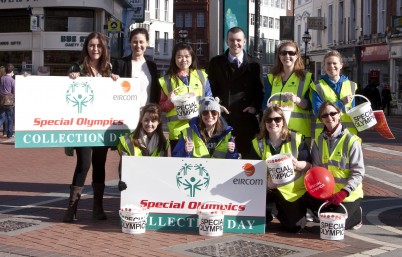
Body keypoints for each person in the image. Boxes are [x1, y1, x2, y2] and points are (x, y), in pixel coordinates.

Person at [63, 32, 119, 222]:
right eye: (91, 45)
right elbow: (64, 93)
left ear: (104, 49)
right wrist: (71, 78)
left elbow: (114, 96)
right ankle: (72, 207)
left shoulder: (108, 69)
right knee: (84, 164)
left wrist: (116, 82)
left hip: (102, 128)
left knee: (99, 165)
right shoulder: (77, 68)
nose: (95, 49)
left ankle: (98, 207)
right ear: (86, 47)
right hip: (83, 127)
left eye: (99, 46)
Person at [249, 106, 312, 233]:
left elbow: (309, 165)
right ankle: (267, 212)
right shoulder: (257, 143)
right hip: (267, 190)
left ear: (283, 121)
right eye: (269, 120)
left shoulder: (296, 139)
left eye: (277, 119)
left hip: (292, 192)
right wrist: (268, 185)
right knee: (251, 215)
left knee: (295, 227)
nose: (273, 123)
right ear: (264, 123)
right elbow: (250, 172)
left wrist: (299, 164)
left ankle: (281, 211)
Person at [207, 26, 263, 159]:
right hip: (223, 120)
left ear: (244, 42)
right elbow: (210, 88)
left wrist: (254, 107)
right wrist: (216, 105)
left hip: (246, 120)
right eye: (231, 40)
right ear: (227, 42)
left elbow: (260, 90)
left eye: (238, 40)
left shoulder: (255, 64)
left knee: (248, 162)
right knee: (222, 158)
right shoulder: (216, 63)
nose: (235, 43)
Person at [307, 101, 364, 230]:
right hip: (327, 195)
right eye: (325, 115)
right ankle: (325, 211)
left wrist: (343, 193)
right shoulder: (318, 141)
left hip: (348, 195)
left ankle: (356, 216)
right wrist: (322, 194)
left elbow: (358, 173)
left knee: (334, 225)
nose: (329, 118)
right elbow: (316, 171)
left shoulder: (352, 141)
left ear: (339, 115)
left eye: (333, 113)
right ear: (321, 120)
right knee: (305, 202)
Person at [159, 43, 212, 151]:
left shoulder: (202, 76)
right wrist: (170, 101)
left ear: (192, 57)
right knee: (179, 165)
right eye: (179, 56)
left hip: (200, 128)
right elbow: (161, 107)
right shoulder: (166, 80)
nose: (183, 59)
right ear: (174, 59)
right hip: (177, 132)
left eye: (187, 56)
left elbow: (209, 99)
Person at [261, 40, 313, 145]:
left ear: (297, 55)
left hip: (299, 133)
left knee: (298, 162)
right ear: (279, 56)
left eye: (291, 53)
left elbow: (310, 106)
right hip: (276, 133)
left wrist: (297, 100)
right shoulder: (271, 78)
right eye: (283, 53)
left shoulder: (306, 77)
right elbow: (264, 106)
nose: (287, 56)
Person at [117, 103, 169, 191]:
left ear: (159, 122)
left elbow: (163, 169)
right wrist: (122, 179)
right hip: (134, 185)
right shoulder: (126, 141)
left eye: (153, 120)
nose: (149, 124)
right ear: (141, 120)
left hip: (154, 186)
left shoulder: (164, 143)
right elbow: (124, 167)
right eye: (146, 120)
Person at [172, 96, 239, 159]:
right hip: (197, 170)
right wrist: (185, 151)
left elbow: (233, 161)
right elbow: (175, 158)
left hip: (218, 170)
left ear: (218, 115)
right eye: (205, 113)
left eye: (213, 112)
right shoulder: (188, 133)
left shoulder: (227, 134)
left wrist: (231, 152)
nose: (210, 115)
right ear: (200, 115)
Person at [311, 50, 358, 136]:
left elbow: (353, 111)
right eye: (328, 63)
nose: (331, 66)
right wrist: (341, 103)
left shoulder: (351, 85)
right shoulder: (317, 86)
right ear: (324, 66)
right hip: (325, 134)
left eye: (334, 63)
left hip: (348, 134)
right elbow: (318, 112)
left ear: (341, 65)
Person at [112, 28, 161, 106]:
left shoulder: (152, 66)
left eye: (141, 42)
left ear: (147, 43)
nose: (138, 45)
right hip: (127, 111)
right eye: (135, 42)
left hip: (147, 113)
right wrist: (113, 78)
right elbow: (113, 89)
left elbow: (156, 91)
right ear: (130, 43)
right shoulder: (120, 64)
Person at [0, 64, 15, 139]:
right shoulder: (12, 80)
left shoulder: (2, 78)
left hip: (2, 99)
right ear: (12, 71)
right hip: (9, 100)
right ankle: (10, 134)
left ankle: (8, 133)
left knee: (2, 117)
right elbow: (14, 91)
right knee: (10, 118)